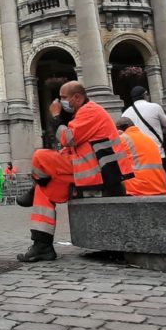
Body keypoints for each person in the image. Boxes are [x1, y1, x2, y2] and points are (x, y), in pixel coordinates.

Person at [17, 81, 132, 263]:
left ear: (77, 97)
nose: (59, 102)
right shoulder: (83, 113)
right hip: (85, 171)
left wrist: (56, 116)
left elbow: (67, 138)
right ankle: (42, 246)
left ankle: (37, 181)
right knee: (43, 191)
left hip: (96, 173)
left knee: (40, 156)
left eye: (63, 98)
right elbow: (72, 146)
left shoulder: (90, 111)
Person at [115, 118, 166, 196]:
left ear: (119, 129)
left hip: (139, 188)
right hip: (160, 186)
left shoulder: (122, 139)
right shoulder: (148, 139)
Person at [122, 86, 166, 155]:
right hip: (157, 152)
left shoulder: (125, 114)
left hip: (138, 156)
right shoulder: (155, 107)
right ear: (145, 95)